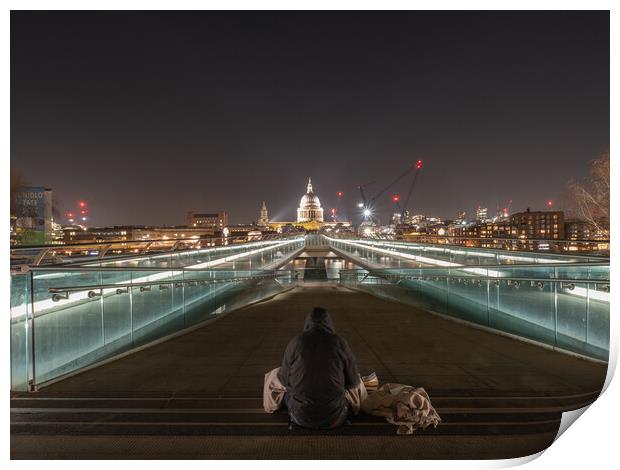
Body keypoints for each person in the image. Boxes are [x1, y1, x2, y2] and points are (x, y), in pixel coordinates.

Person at [277, 306, 362, 429]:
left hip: (299, 417)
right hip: (335, 418)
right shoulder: (339, 342)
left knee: (277, 382)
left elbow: (284, 381)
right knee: (353, 393)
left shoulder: (295, 342)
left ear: (307, 323)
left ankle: (291, 414)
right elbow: (353, 382)